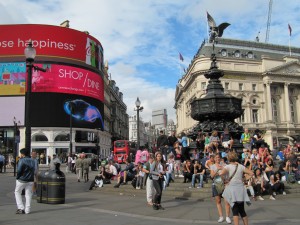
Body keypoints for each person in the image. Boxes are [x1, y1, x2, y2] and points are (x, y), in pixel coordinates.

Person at [219, 151, 254, 225]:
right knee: (242, 210)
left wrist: (225, 180)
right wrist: (244, 179)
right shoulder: (241, 166)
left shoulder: (227, 167)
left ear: (228, 158)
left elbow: (221, 173)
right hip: (240, 189)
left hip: (232, 189)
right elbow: (251, 173)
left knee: (235, 211)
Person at [210, 154, 231, 224]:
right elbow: (212, 176)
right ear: (214, 159)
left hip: (224, 184)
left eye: (219, 157)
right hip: (216, 184)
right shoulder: (212, 166)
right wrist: (217, 170)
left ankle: (227, 217)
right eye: (216, 157)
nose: (217, 158)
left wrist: (223, 169)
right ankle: (221, 216)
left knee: (227, 201)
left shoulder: (224, 165)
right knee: (218, 201)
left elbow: (228, 173)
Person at [14, 148, 35, 214]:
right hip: (30, 179)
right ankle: (27, 209)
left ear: (23, 154)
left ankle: (21, 208)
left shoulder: (22, 160)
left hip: (22, 179)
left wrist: (17, 177)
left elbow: (19, 170)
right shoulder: (32, 160)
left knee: (17, 192)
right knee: (28, 194)